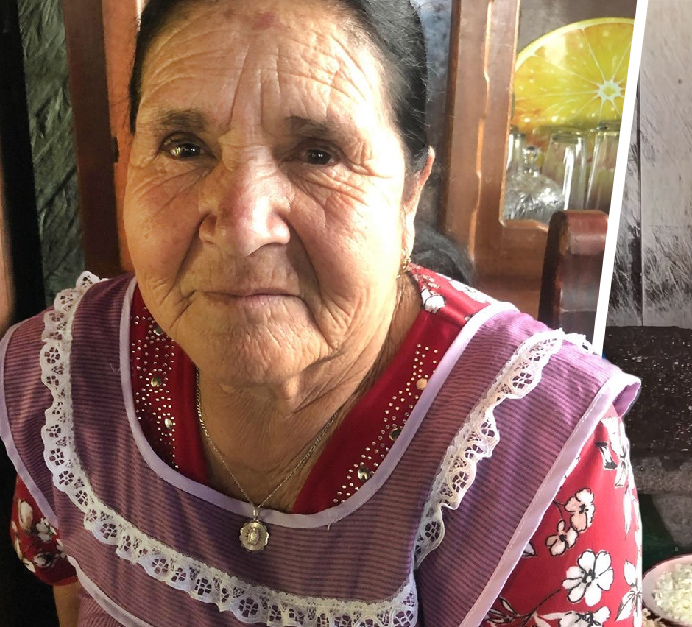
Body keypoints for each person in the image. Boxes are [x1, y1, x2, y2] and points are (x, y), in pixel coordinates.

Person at [3, 0, 642, 625]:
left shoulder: (540, 461)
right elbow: (69, 588)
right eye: (184, 146)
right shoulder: (65, 382)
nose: (243, 228)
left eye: (318, 153)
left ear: (408, 196)